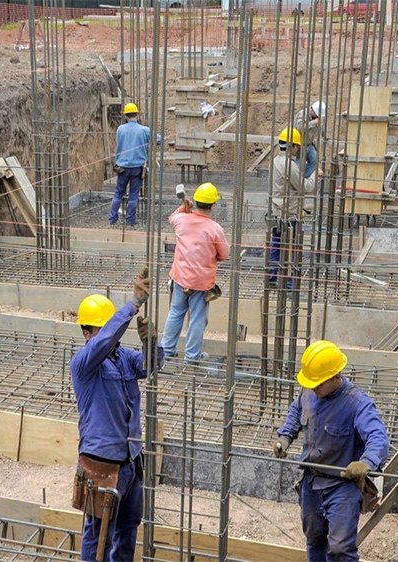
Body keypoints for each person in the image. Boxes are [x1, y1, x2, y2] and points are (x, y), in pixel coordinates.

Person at [70, 272, 163, 562]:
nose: (110, 334)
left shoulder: (123, 358)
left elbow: (151, 366)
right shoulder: (83, 364)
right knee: (99, 533)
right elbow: (108, 338)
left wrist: (151, 343)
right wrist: (134, 303)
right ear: (87, 333)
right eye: (102, 327)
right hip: (101, 462)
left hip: (130, 460)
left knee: (128, 527)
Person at [273, 340, 390, 562]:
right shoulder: (309, 391)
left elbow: (378, 437)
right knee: (314, 539)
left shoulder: (357, 403)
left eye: (318, 384)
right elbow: (297, 410)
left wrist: (366, 462)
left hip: (342, 486)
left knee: (340, 548)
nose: (313, 388)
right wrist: (285, 437)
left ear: (336, 377)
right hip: (311, 483)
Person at [160, 182, 230, 362]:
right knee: (197, 318)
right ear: (212, 206)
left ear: (196, 202)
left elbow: (172, 217)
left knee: (175, 313)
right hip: (201, 283)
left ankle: (166, 352)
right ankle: (192, 357)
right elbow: (224, 254)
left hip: (180, 278)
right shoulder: (215, 229)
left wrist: (184, 208)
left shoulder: (181, 220)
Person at [269, 127, 318, 288]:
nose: (298, 150)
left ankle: (271, 277)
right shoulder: (289, 165)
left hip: (276, 211)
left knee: (276, 244)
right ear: (292, 146)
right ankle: (289, 285)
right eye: (297, 146)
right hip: (289, 213)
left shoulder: (275, 161)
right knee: (292, 248)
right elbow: (305, 187)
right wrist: (315, 174)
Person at [109, 102, 156, 227]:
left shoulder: (120, 129)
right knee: (134, 195)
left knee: (118, 193)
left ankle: (112, 219)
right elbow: (158, 139)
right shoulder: (144, 130)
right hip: (137, 168)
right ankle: (130, 220)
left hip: (122, 167)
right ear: (137, 114)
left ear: (126, 116)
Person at [293, 100, 327, 179]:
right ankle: (295, 178)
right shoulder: (302, 114)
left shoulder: (316, 117)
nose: (318, 116)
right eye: (317, 114)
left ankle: (304, 179)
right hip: (299, 144)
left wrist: (324, 135)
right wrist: (313, 123)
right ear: (312, 110)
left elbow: (321, 128)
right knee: (299, 164)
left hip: (309, 144)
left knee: (314, 160)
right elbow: (300, 128)